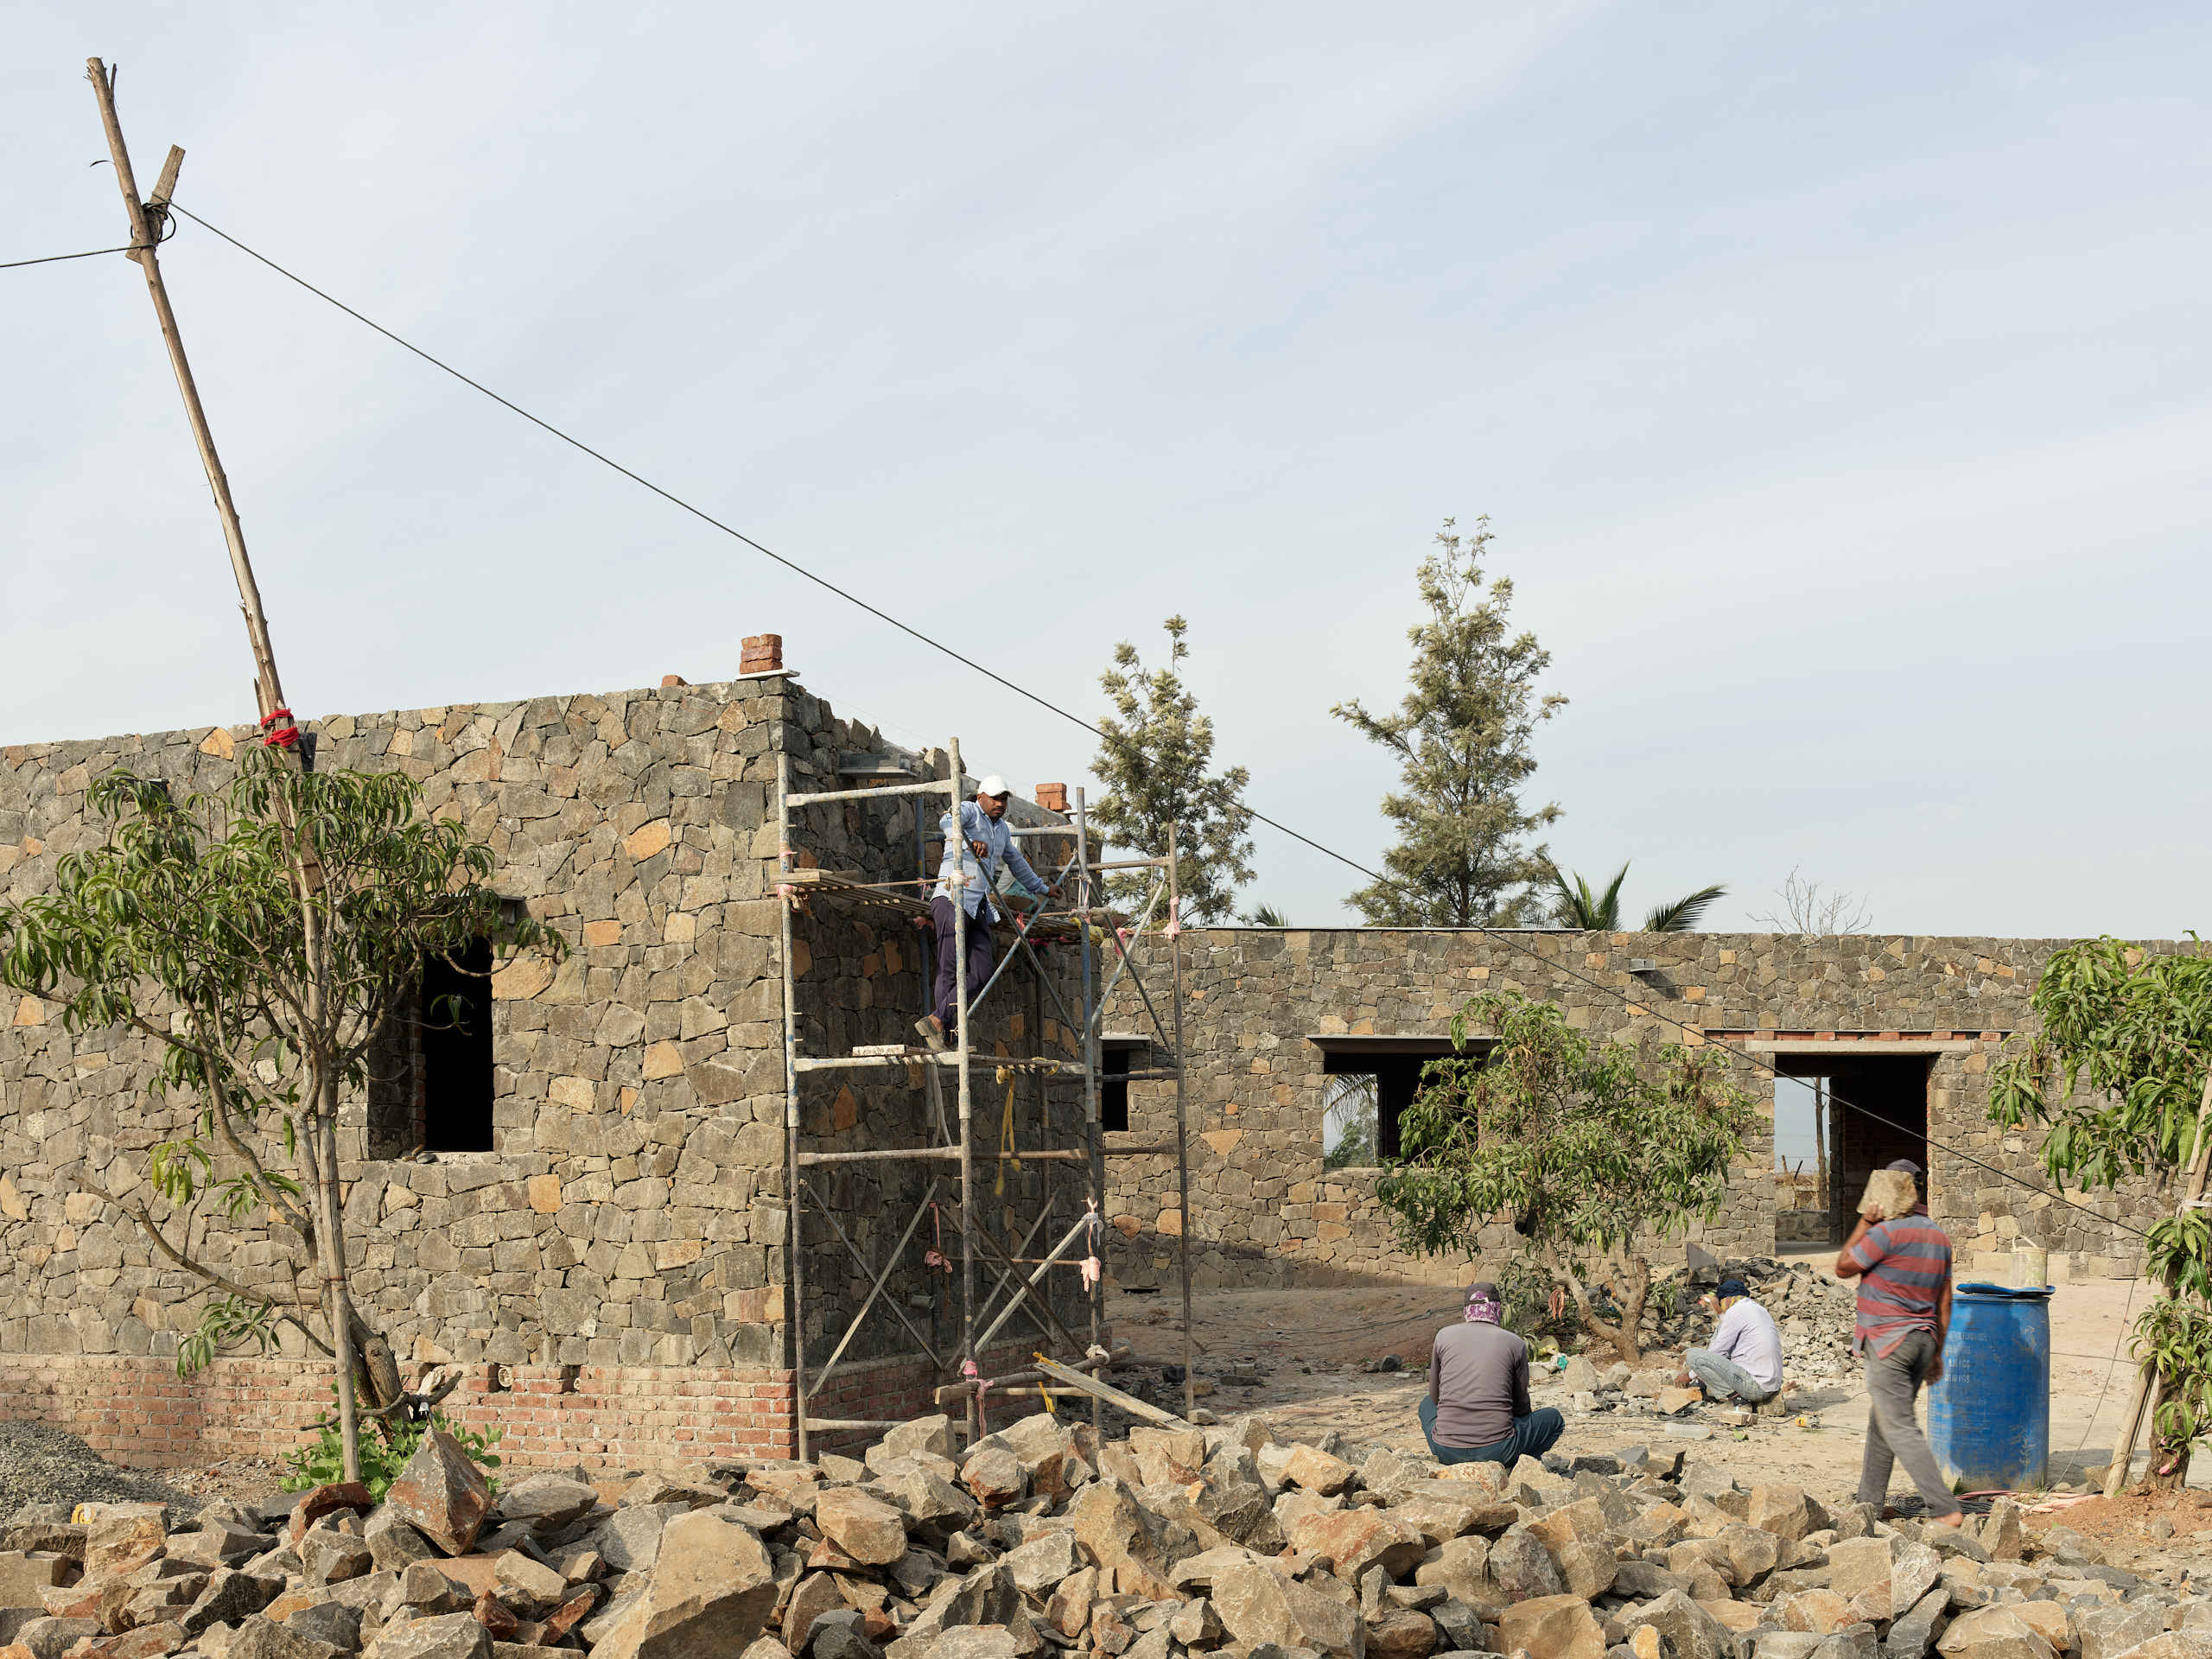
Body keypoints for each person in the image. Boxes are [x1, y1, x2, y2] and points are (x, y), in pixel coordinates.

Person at [1835, 1177, 1962, 1525]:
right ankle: (1868, 1507)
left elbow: (1843, 1266)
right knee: (1883, 1423)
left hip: (1888, 1341)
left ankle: (1944, 1507)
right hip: (1923, 1341)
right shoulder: (1938, 1236)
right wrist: (1937, 1352)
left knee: (1900, 1426)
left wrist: (1865, 1222)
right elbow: (1945, 1301)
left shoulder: (1885, 1233)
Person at [916, 776, 1058, 1050]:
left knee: (983, 970)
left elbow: (1016, 863)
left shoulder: (1002, 830)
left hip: (977, 906)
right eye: (995, 798)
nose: (1000, 803)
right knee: (949, 967)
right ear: (981, 797)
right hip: (950, 899)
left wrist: (1042, 888)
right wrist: (969, 840)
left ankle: (937, 1019)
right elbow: (947, 821)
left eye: (1004, 799)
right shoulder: (969, 811)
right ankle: (945, 1031)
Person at [1420, 1281, 1565, 1466]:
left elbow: (1435, 1396)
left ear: (1466, 1310)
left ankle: (1456, 1457)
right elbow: (1521, 1406)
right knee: (1554, 1418)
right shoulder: (1514, 1342)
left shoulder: (1443, 1336)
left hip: (1447, 1451)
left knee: (1426, 1404)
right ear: (1497, 1309)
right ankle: (1519, 1465)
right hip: (1498, 1451)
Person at [1675, 1277, 1783, 1405]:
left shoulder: (1736, 1311)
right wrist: (1719, 1310)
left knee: (1694, 1356)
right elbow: (1727, 1328)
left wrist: (1689, 1376)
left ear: (1726, 1300)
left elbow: (1716, 1352)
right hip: (1769, 1385)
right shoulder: (1757, 1309)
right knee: (1722, 1327)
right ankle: (1702, 1381)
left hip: (1755, 1388)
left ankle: (1738, 1399)